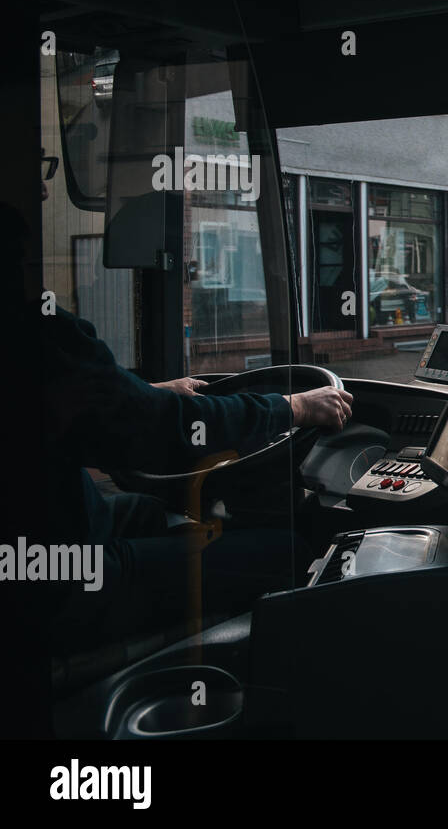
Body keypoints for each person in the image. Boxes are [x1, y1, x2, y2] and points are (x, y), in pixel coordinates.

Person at [29, 160, 354, 654]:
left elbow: (94, 411)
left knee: (147, 508)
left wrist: (153, 392)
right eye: (35, 166)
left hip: (48, 530)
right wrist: (295, 408)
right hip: (56, 582)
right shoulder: (30, 323)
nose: (46, 186)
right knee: (288, 553)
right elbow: (166, 434)